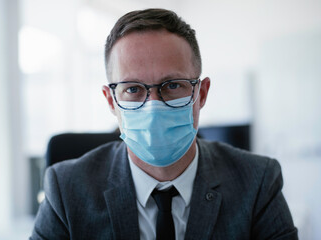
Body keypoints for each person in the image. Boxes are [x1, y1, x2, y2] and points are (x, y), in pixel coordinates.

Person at [31, 8, 298, 240]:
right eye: (133, 89)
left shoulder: (258, 181)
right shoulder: (65, 190)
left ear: (201, 94)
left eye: (172, 85)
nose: (153, 105)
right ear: (111, 101)